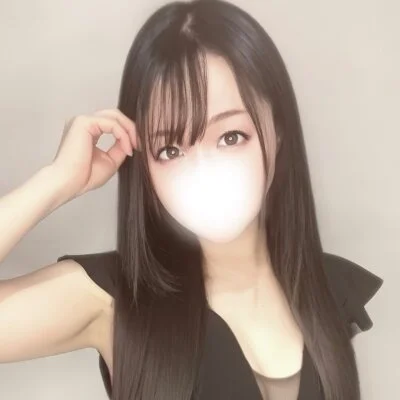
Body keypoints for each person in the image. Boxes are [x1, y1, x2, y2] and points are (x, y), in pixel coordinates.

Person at [0, 1, 383, 399]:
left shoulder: (329, 291)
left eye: (230, 137)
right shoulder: (115, 301)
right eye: (170, 150)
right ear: (144, 165)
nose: (204, 172)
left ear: (278, 131)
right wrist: (57, 181)